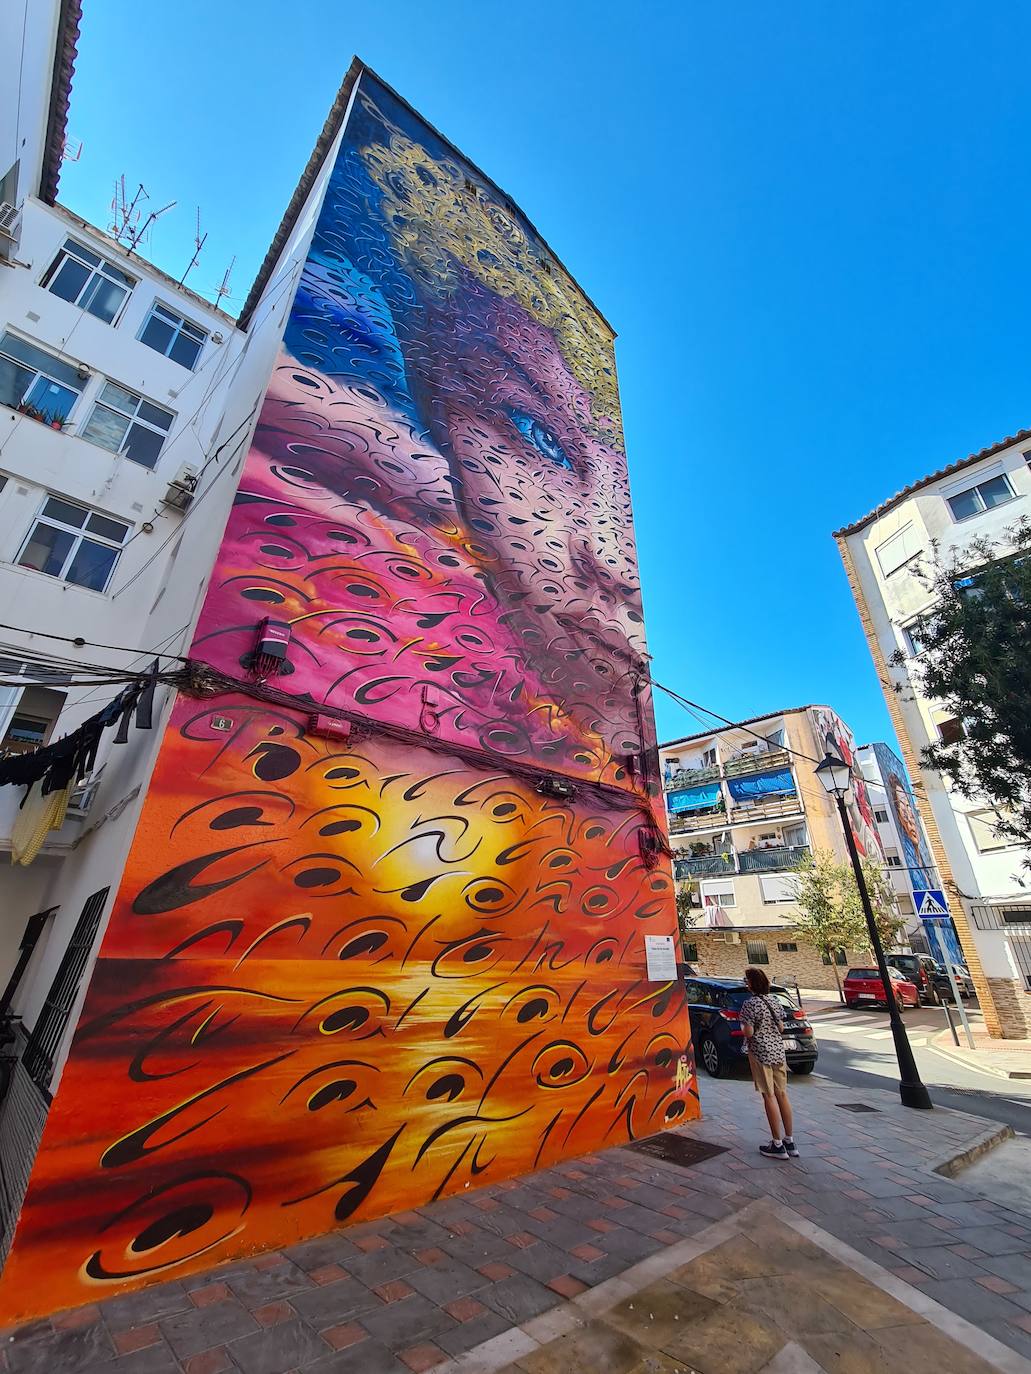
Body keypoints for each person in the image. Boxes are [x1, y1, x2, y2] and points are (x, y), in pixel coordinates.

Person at [740, 967, 798, 1160]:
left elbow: (748, 1033)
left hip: (760, 1052)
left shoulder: (750, 1004)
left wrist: (746, 1028)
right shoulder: (774, 1001)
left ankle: (777, 1144)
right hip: (778, 1052)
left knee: (769, 1096)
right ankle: (790, 1140)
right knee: (783, 1094)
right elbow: (781, 1026)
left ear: (751, 983)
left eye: (746, 980)